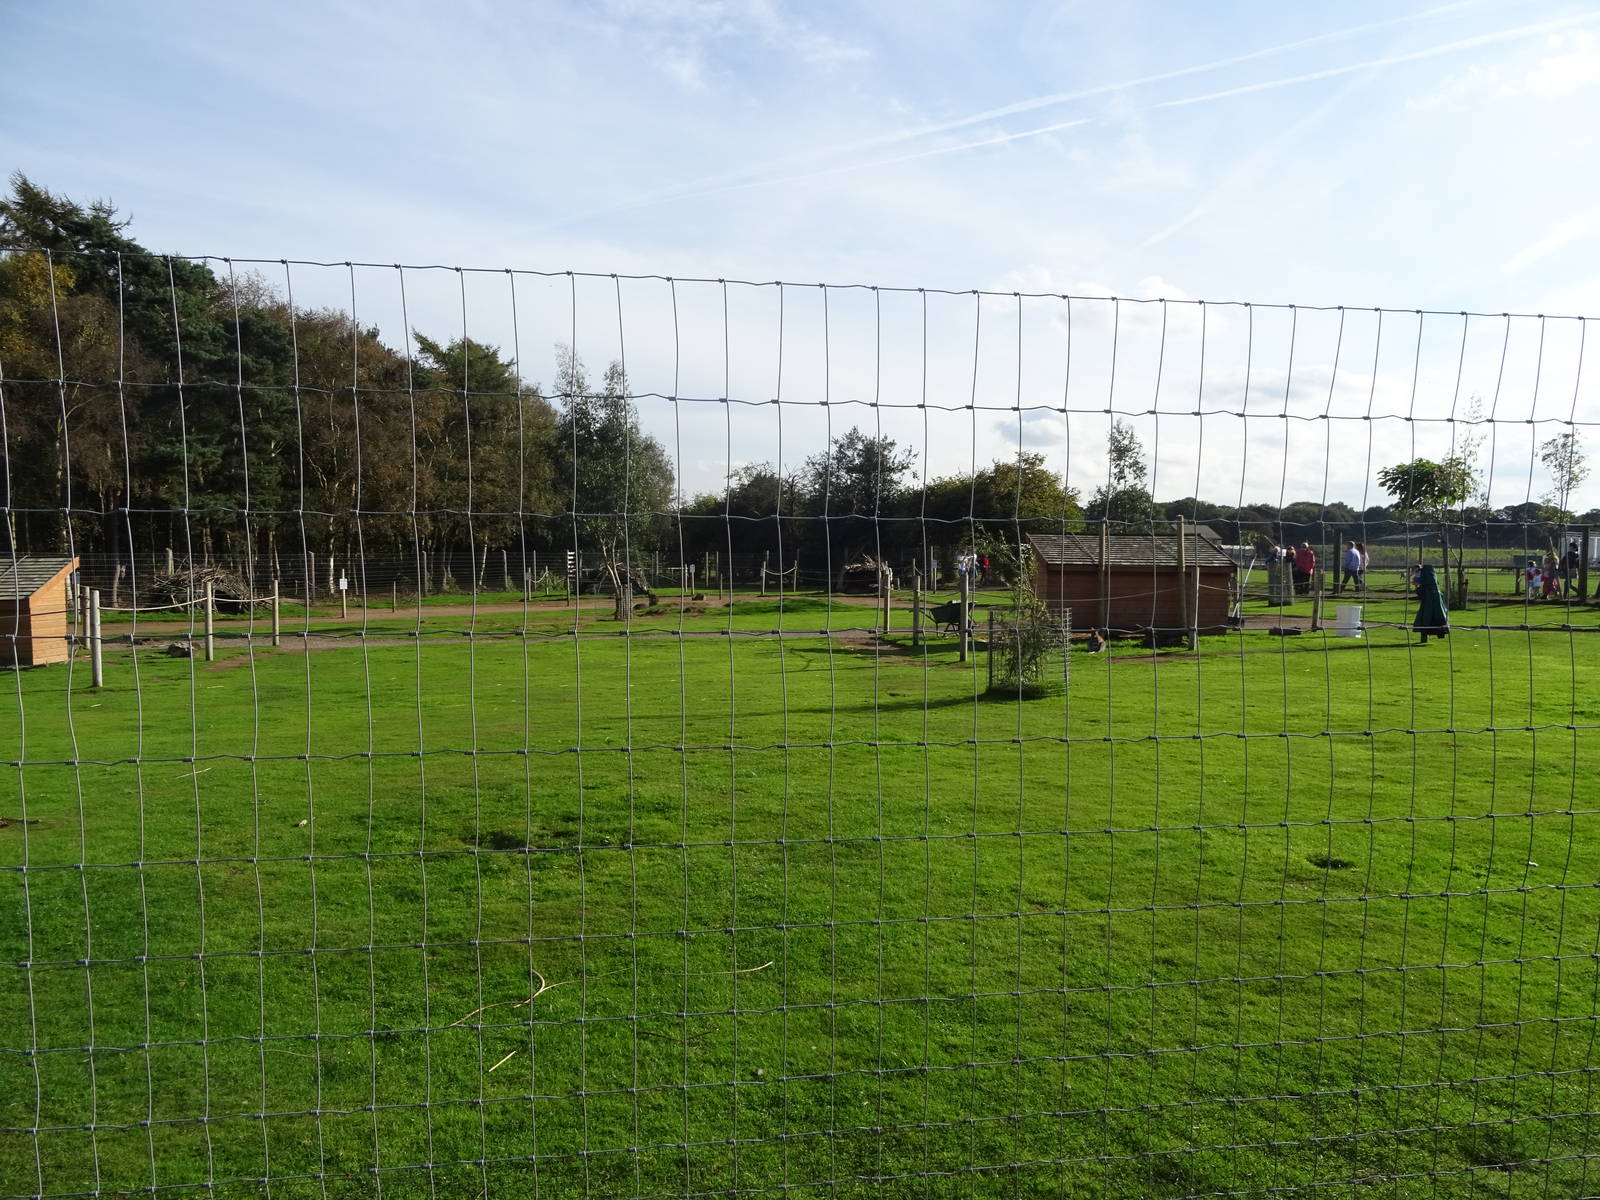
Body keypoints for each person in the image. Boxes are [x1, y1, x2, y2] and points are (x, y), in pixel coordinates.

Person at [1413, 563, 1449, 643]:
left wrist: (1417, 588)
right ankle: (1431, 634)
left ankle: (1425, 635)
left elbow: (1419, 590)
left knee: (1425, 618)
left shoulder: (1423, 575)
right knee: (1435, 616)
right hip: (1434, 601)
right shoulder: (1432, 577)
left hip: (1428, 602)